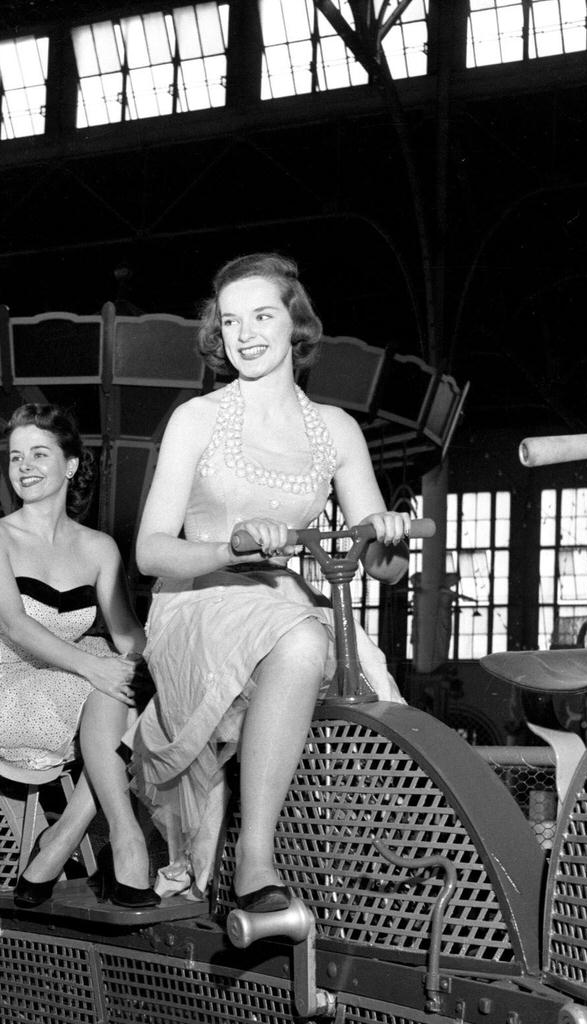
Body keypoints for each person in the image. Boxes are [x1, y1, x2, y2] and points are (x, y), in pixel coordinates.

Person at [132, 252, 411, 913]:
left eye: (262, 315)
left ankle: (359, 866)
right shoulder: (198, 419)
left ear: (296, 322)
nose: (246, 333)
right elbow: (149, 552)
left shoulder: (335, 430)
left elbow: (379, 565)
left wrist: (390, 537)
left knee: (349, 665)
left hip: (283, 601)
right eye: (231, 321)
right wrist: (230, 544)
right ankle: (256, 858)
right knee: (305, 641)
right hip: (199, 603)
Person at [0, 402, 157, 908]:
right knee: (108, 687)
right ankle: (122, 838)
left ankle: (67, 836)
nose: (24, 466)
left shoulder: (99, 547)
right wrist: (96, 666)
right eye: (16, 456)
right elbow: (16, 624)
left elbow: (127, 631)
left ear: (69, 465)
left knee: (136, 689)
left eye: (39, 454)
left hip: (73, 678)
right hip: (0, 673)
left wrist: (171, 661)